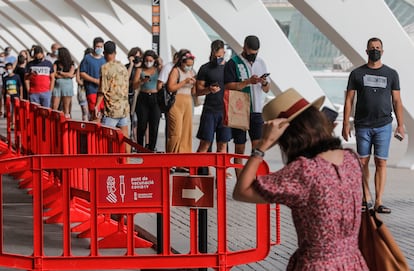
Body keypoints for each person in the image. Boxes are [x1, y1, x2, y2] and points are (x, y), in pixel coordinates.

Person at [233, 88, 369, 271]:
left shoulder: (304, 171)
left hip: (317, 265)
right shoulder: (351, 159)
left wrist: (262, 145)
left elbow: (242, 191)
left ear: (289, 138)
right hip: (353, 262)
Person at [342, 37, 404, 214]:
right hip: (362, 125)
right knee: (362, 162)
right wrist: (346, 123)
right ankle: (365, 198)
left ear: (382, 51)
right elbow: (349, 100)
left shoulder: (391, 74)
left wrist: (400, 125)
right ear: (366, 51)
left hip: (384, 124)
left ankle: (378, 201)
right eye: (372, 48)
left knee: (381, 162)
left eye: (378, 48)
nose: (375, 50)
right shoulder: (357, 74)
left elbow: (397, 101)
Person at [224, 35, 270, 177]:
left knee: (257, 147)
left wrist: (263, 83)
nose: (253, 56)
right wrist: (248, 82)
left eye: (255, 53)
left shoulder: (261, 62)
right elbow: (228, 85)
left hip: (256, 111)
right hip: (239, 110)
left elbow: (267, 89)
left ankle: (254, 177)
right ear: (244, 47)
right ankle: (239, 179)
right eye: (251, 53)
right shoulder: (233, 63)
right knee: (240, 146)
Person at [195, 40, 232, 174]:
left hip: (225, 112)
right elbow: (198, 91)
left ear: (224, 53)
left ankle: (221, 176)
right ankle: (200, 174)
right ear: (211, 52)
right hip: (210, 111)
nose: (218, 58)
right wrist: (208, 90)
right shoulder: (205, 68)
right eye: (215, 56)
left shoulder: (229, 68)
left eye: (220, 56)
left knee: (223, 145)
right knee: (205, 144)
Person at [95, 41, 130, 153]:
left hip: (111, 109)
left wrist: (96, 106)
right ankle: (127, 162)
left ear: (104, 53)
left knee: (106, 139)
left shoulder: (105, 68)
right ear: (115, 52)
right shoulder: (122, 67)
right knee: (125, 139)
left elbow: (102, 90)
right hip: (123, 108)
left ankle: (108, 163)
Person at [166, 49, 196, 154]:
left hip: (188, 100)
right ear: (182, 62)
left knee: (186, 131)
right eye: (187, 64)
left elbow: (193, 91)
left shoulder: (192, 72)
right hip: (176, 101)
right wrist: (184, 81)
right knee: (176, 131)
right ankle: (172, 156)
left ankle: (184, 157)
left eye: (191, 65)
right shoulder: (176, 71)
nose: (189, 67)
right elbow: (171, 87)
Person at [132, 50, 162, 151]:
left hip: (155, 97)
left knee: (154, 125)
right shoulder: (140, 70)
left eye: (150, 60)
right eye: (146, 60)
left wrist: (158, 60)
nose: (148, 62)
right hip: (143, 97)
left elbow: (163, 69)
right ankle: (140, 147)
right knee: (142, 124)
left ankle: (152, 147)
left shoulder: (158, 69)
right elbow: (134, 85)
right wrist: (141, 81)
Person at [80, 37, 106, 120]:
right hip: (92, 90)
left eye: (101, 47)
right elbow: (82, 73)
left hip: (103, 91)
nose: (99, 48)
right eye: (98, 46)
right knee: (94, 112)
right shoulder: (87, 58)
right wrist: (95, 80)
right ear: (94, 46)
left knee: (102, 113)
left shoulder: (104, 59)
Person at [51, 47, 75, 118]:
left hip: (67, 87)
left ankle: (66, 121)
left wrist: (61, 73)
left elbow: (71, 74)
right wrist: (65, 75)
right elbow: (54, 73)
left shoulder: (71, 63)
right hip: (58, 86)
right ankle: (54, 120)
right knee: (54, 106)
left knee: (66, 107)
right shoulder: (56, 63)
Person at [2, 62, 23, 129]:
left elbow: (20, 86)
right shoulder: (5, 78)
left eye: (10, 68)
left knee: (14, 110)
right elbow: (4, 88)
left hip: (16, 96)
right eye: (7, 69)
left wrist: (21, 95)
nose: (9, 70)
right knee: (10, 111)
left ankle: (13, 123)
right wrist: (3, 97)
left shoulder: (16, 76)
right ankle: (11, 123)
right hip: (8, 97)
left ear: (12, 68)